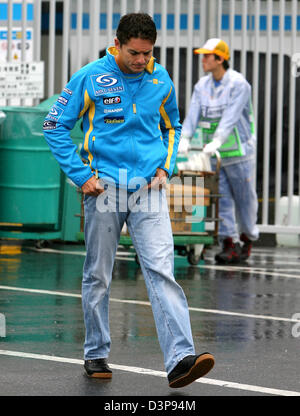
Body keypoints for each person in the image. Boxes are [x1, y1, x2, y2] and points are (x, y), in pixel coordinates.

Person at [43, 13, 214, 388]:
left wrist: (166, 169)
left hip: (149, 189)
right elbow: (53, 126)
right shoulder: (89, 77)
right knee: (99, 274)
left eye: (147, 53)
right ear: (117, 43)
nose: (141, 61)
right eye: (135, 53)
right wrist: (81, 175)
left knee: (161, 269)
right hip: (104, 188)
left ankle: (181, 358)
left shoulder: (160, 77)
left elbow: (172, 127)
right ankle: (96, 352)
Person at [179, 38, 259, 264]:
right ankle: (229, 242)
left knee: (245, 198)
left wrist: (218, 140)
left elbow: (231, 117)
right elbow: (193, 115)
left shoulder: (238, 84)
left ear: (220, 59)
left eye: (207, 56)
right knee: (221, 197)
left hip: (239, 151)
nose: (203, 60)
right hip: (215, 154)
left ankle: (247, 238)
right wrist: (185, 137)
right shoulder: (201, 86)